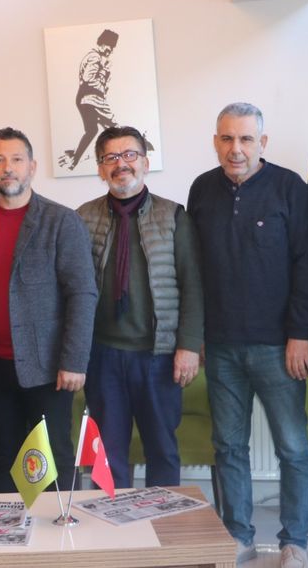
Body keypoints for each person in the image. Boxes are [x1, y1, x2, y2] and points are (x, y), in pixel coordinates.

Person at [186, 102, 308, 568]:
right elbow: (195, 269)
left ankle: (294, 542)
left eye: (245, 139)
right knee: (228, 447)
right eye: (226, 138)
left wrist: (299, 334)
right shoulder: (202, 190)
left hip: (278, 347)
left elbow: (306, 264)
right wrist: (198, 334)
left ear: (263, 142)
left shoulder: (288, 187)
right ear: (215, 141)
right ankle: (237, 536)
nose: (235, 149)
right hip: (220, 346)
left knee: (293, 448)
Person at [0, 127, 96, 491]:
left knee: (52, 456)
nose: (8, 168)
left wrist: (74, 361)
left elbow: (82, 294)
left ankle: (58, 525)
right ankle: (5, 528)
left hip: (49, 368)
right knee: (2, 457)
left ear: (32, 167)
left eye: (17, 159)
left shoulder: (62, 221)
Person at [77, 125, 204, 488]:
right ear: (101, 169)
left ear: (145, 163)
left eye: (130, 155)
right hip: (103, 357)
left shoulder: (174, 216)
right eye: (111, 157)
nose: (122, 164)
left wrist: (188, 346)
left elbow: (193, 286)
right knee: (107, 455)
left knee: (162, 450)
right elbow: (73, 289)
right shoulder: (82, 218)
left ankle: (162, 521)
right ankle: (111, 522)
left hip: (158, 357)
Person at [61, 29, 120, 170]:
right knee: (115, 128)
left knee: (92, 130)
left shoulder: (96, 57)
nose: (111, 50)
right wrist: (104, 73)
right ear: (102, 43)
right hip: (92, 97)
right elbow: (89, 79)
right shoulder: (95, 57)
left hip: (84, 98)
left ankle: (74, 160)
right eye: (110, 46)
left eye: (113, 47)